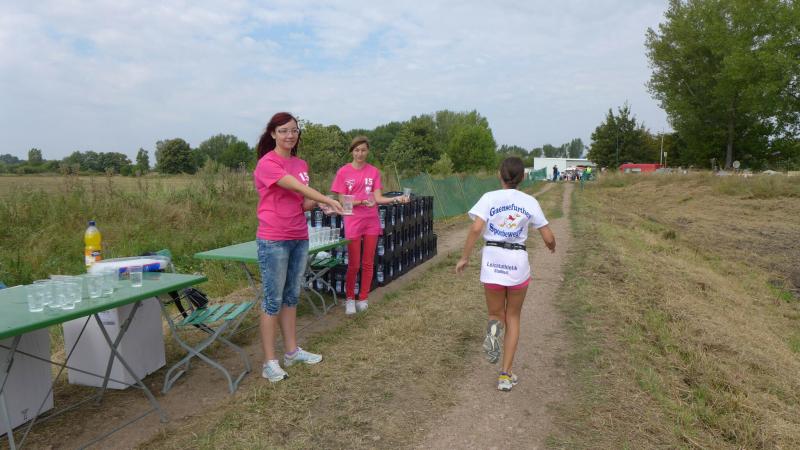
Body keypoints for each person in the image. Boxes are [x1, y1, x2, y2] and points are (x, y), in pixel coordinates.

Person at [253, 112, 344, 383]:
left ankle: (292, 352)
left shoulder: (301, 164)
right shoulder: (267, 163)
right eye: (283, 131)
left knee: (292, 296)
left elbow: (301, 202)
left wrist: (321, 204)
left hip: (299, 235)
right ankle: (269, 362)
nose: (289, 135)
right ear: (273, 134)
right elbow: (291, 185)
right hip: (274, 238)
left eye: (293, 130)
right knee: (273, 300)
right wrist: (324, 196)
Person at [455, 157, 556, 391]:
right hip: (516, 263)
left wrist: (465, 257)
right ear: (523, 177)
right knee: (513, 316)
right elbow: (548, 236)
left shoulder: (489, 198)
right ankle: (505, 375)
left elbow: (476, 228)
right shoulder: (530, 201)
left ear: (499, 175)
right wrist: (552, 246)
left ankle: (493, 334)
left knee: (495, 313)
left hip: (492, 262)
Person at [331, 136, 408, 315]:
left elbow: (378, 198)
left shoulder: (374, 172)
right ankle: (350, 298)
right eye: (356, 150)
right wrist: (361, 202)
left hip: (371, 221)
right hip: (352, 221)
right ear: (352, 151)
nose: (360, 154)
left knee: (368, 262)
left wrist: (397, 198)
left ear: (368, 151)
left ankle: (363, 298)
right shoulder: (343, 172)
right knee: (354, 264)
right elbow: (342, 201)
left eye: (363, 150)